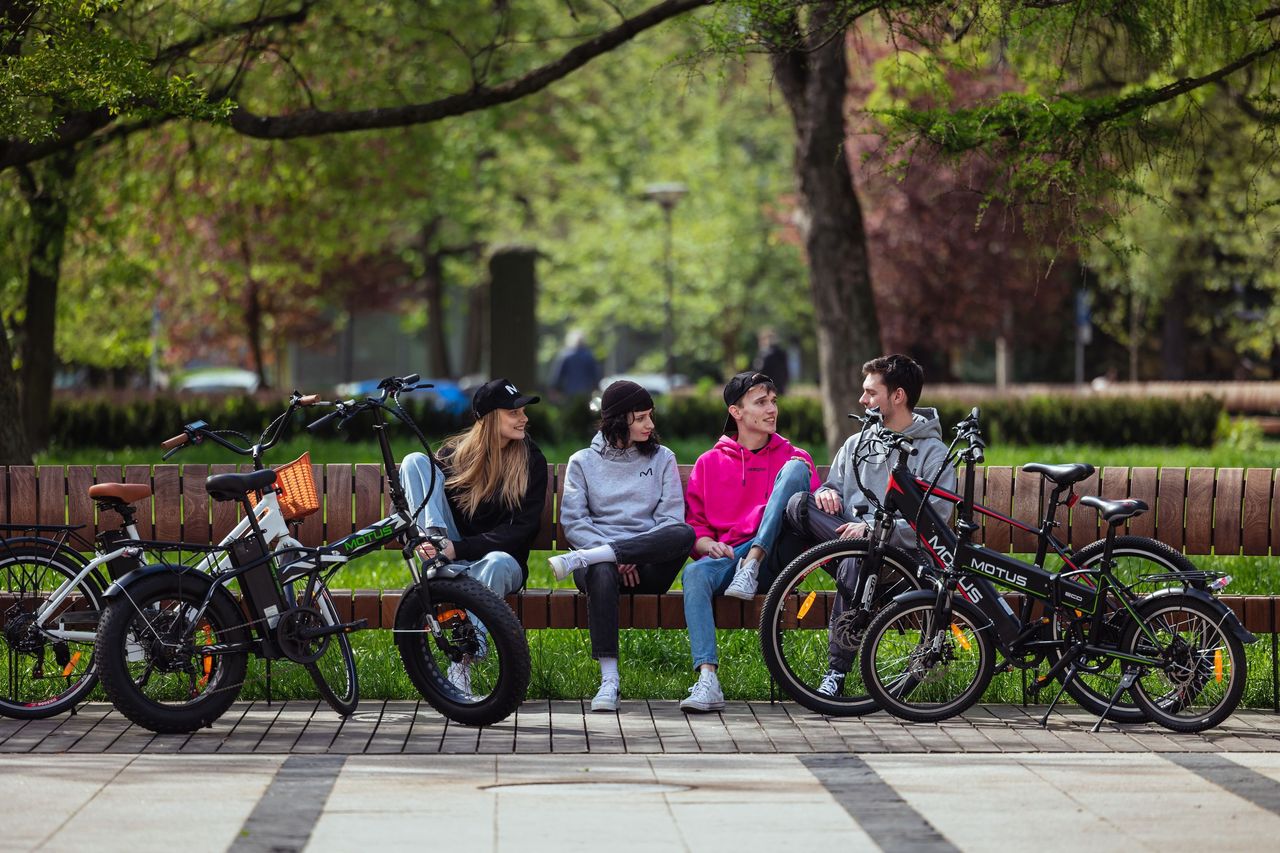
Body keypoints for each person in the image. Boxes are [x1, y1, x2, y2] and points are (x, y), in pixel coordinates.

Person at [783, 354, 955, 698]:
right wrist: (826, 494)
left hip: (904, 559)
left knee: (856, 557)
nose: (863, 401)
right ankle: (853, 566)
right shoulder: (857, 443)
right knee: (799, 505)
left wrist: (873, 529)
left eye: (870, 393)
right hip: (854, 546)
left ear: (898, 396)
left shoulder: (933, 453)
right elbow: (834, 486)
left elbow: (934, 518)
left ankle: (836, 671)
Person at [678, 371, 821, 712]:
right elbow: (693, 526)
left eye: (773, 401)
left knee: (796, 469)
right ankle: (708, 679)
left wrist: (827, 492)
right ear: (736, 412)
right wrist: (706, 545)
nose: (772, 409)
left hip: (777, 558)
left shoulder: (792, 456)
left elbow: (809, 512)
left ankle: (753, 561)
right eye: (761, 402)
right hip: (730, 558)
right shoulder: (709, 463)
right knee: (694, 575)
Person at [550, 380, 696, 712]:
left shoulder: (662, 459)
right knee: (601, 566)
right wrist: (613, 555)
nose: (651, 425)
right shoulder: (582, 462)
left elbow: (671, 520)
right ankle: (609, 681)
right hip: (598, 571)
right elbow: (574, 522)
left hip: (648, 567)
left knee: (684, 534)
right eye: (642, 417)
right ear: (619, 420)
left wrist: (628, 552)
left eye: (650, 416)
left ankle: (603, 555)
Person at [398, 378, 549, 693]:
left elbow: (522, 530)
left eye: (522, 410)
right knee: (414, 461)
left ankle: (461, 662)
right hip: (452, 553)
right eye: (513, 412)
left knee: (494, 562)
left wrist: (461, 549)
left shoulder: (531, 460)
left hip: (502, 564)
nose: (523, 418)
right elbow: (423, 497)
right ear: (490, 418)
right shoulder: (454, 454)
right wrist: (442, 545)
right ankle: (434, 552)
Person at [550, 329, 603, 397]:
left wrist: (554, 388)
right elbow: (596, 375)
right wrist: (596, 387)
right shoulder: (589, 355)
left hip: (569, 391)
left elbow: (557, 375)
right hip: (586, 390)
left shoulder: (565, 355)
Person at [751, 329, 789, 394]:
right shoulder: (782, 353)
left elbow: (757, 371)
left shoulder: (764, 354)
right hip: (779, 388)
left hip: (765, 388)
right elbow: (786, 373)